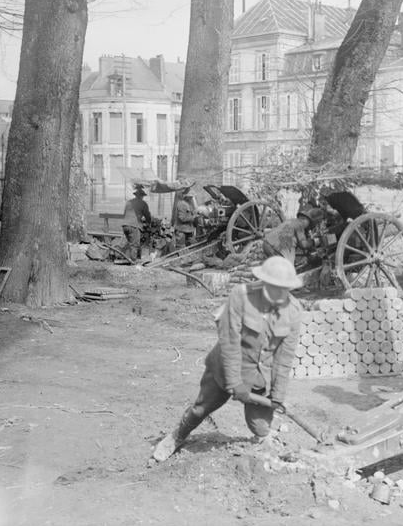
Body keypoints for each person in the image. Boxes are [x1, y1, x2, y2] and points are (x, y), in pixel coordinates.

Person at [152, 256, 306, 462]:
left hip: (259, 377)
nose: (281, 295)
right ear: (264, 283)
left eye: (285, 289)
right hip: (224, 370)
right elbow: (229, 342)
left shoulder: (294, 311)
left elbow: (284, 357)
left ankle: (265, 445)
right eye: (276, 288)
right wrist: (235, 383)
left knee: (260, 426)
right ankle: (176, 437)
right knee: (200, 409)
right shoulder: (241, 297)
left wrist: (278, 394)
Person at [121, 185, 152, 260]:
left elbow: (124, 213)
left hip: (125, 225)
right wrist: (149, 223)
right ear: (141, 196)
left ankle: (128, 258)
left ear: (135, 195)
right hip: (134, 225)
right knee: (135, 244)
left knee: (130, 243)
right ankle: (133, 261)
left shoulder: (129, 202)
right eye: (142, 196)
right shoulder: (143, 203)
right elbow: (147, 216)